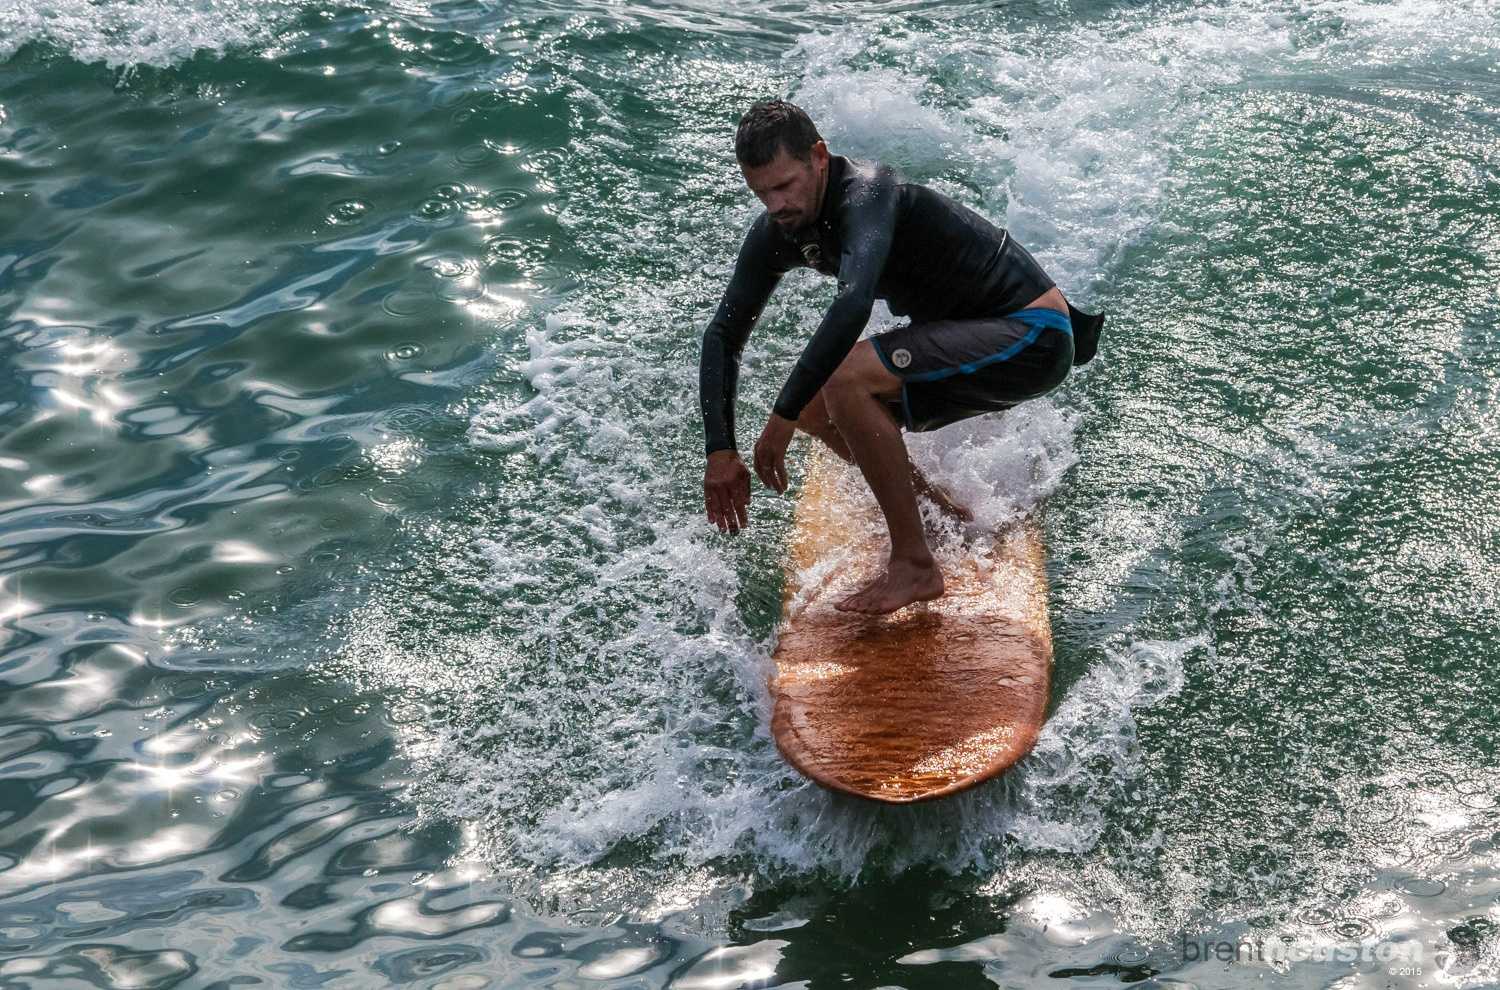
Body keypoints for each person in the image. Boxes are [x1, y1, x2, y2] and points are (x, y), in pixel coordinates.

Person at [700, 99, 1104, 616]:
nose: (777, 204)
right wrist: (721, 450)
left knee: (844, 380)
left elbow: (852, 306)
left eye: (785, 186)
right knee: (812, 408)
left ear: (819, 157)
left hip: (1033, 334)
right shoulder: (780, 230)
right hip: (978, 332)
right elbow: (723, 334)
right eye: (762, 193)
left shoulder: (868, 193)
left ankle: (914, 565)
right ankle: (936, 514)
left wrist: (775, 421)